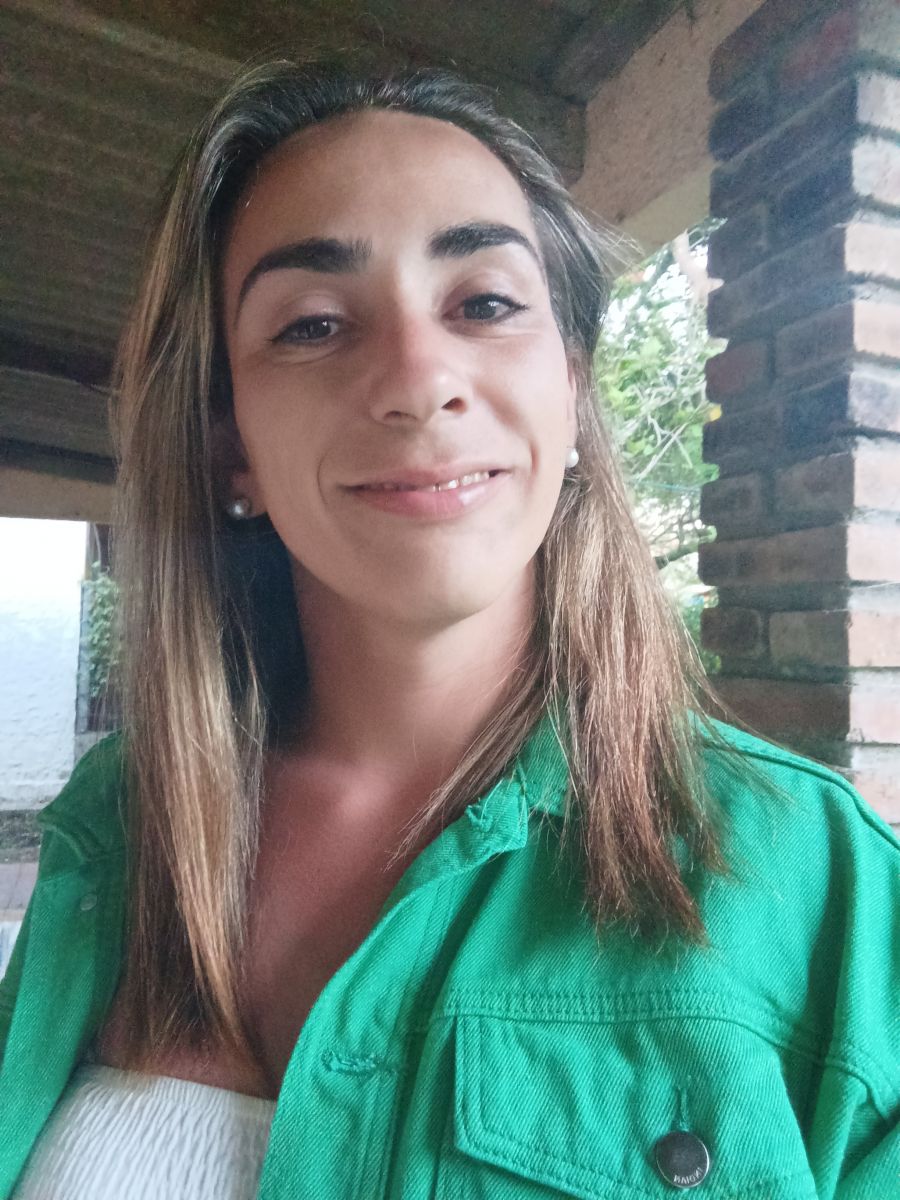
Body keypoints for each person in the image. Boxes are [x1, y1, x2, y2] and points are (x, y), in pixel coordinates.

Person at [0, 59, 897, 1200]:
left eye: (484, 303)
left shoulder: (825, 889)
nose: (420, 380)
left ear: (571, 392)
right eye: (313, 324)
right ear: (232, 449)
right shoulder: (117, 828)